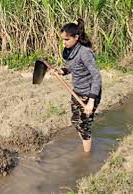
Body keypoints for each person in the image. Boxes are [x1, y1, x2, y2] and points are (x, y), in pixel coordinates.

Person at [51, 18, 102, 152]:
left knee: (84, 126)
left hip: (89, 93)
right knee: (75, 121)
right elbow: (74, 67)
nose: (64, 42)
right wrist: (61, 71)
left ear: (76, 37)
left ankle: (86, 158)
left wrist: (91, 101)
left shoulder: (85, 53)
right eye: (62, 39)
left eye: (66, 39)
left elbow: (96, 76)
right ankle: (86, 145)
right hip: (77, 91)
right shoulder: (71, 51)